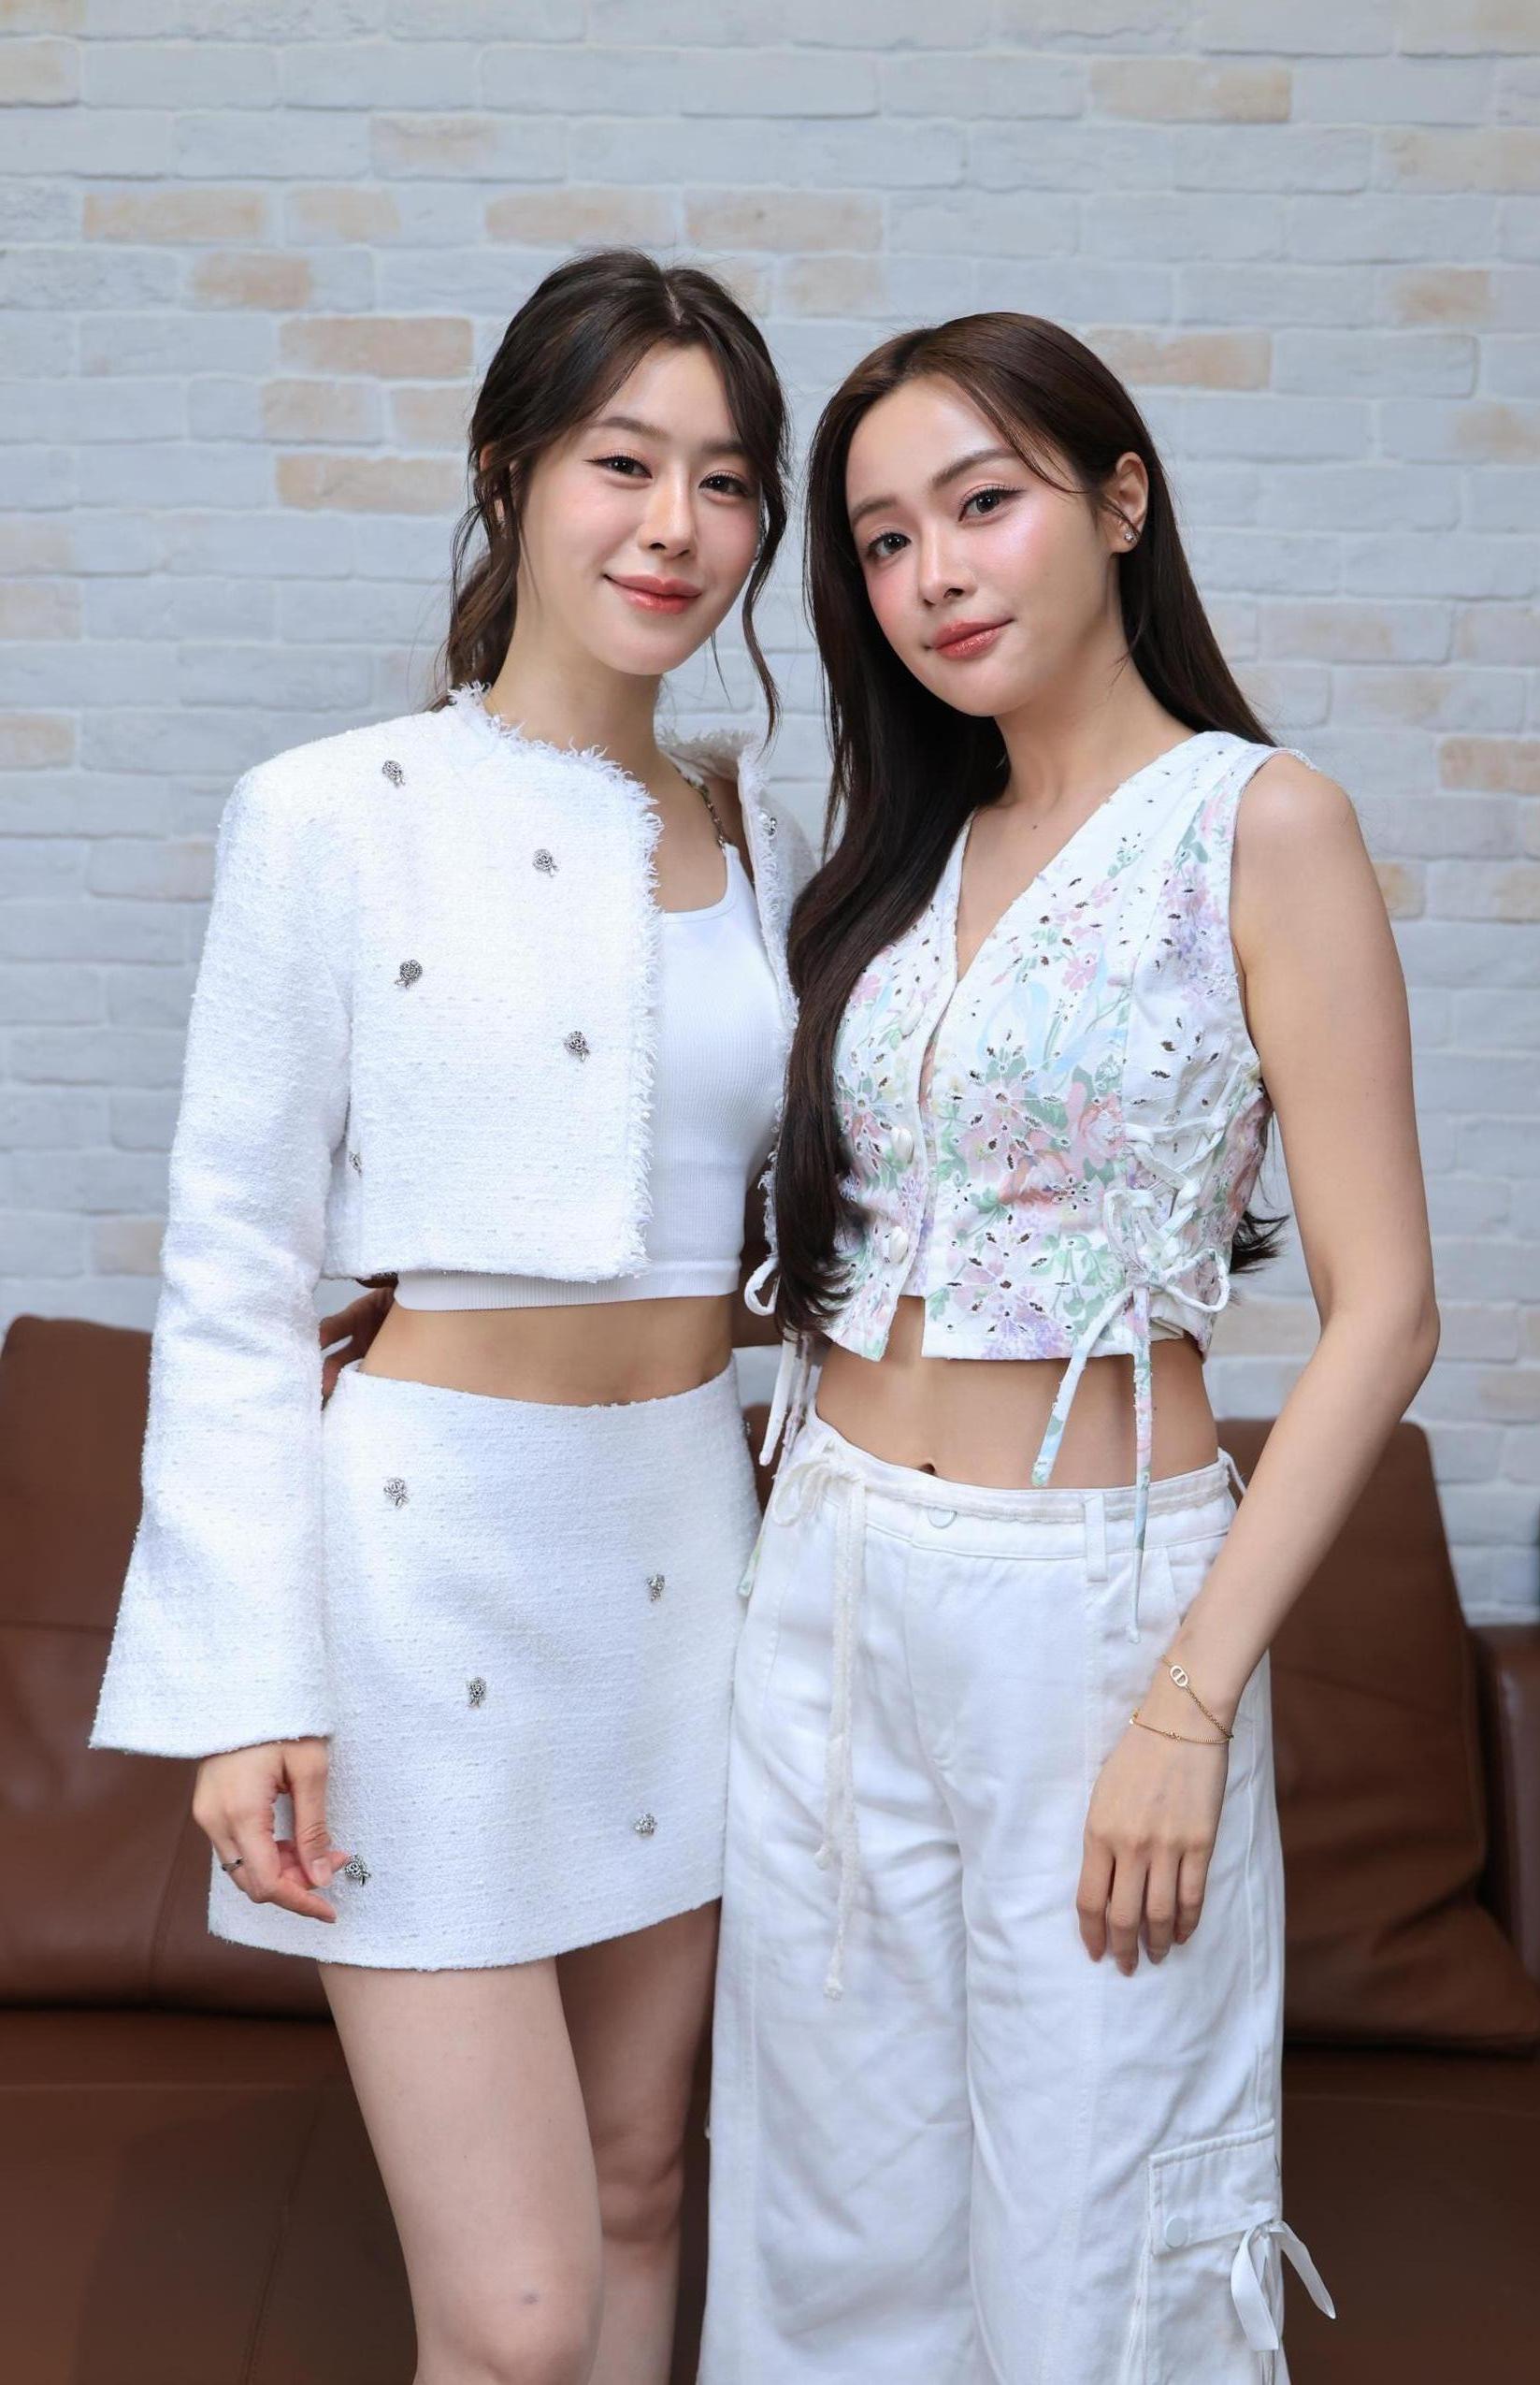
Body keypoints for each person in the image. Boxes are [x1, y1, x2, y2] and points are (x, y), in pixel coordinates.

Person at [87, 249, 813, 2385]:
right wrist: (249, 1682)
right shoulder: (332, 812)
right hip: (422, 1574)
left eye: (726, 481)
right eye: (621, 463)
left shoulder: (770, 837)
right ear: (507, 473)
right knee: (514, 2316)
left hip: (690, 1565)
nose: (674, 526)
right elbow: (231, 1262)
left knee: (643, 2187)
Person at [700, 313, 1438, 2382]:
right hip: (826, 1572)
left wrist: (1188, 1703)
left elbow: (1387, 1308)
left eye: (982, 505)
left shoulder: (1261, 823)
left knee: (1101, 2239)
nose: (932, 573)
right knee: (826, 2225)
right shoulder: (895, 857)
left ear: (1120, 503)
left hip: (1092, 1606)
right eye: (881, 540)